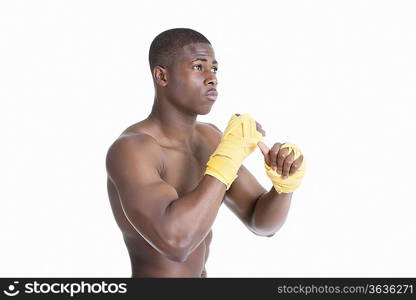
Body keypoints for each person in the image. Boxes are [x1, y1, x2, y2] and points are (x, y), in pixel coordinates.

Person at [105, 28, 305, 278]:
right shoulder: (132, 149)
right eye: (199, 67)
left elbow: (260, 222)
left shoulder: (210, 138)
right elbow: (176, 243)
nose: (212, 78)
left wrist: (284, 186)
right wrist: (229, 156)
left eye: (215, 69)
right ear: (162, 76)